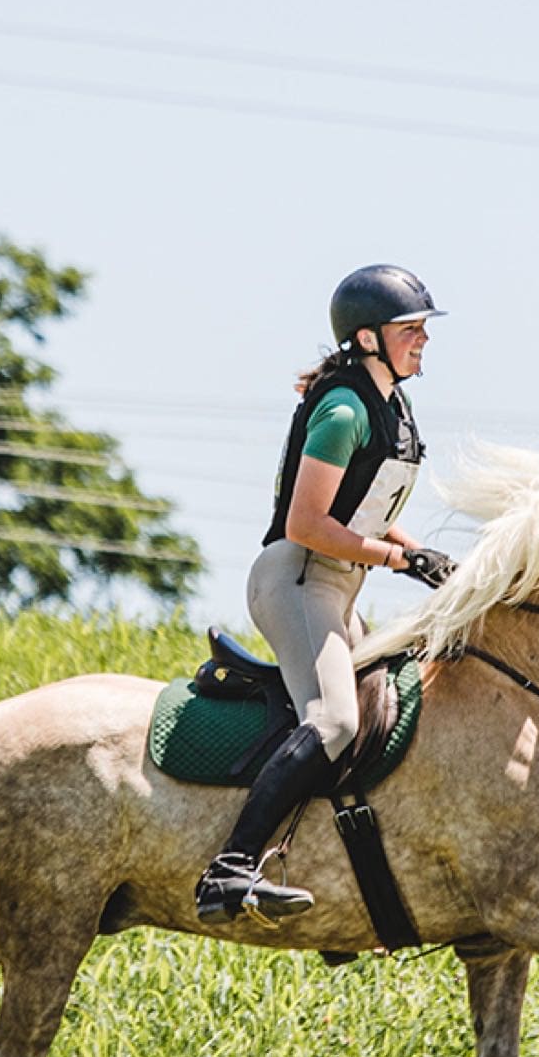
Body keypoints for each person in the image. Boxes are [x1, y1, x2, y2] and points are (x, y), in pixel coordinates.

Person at [194, 264, 459, 923]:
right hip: (299, 577)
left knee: (386, 710)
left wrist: (417, 550)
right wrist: (398, 557)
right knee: (338, 720)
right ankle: (228, 872)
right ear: (368, 339)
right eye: (411, 329)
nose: (423, 338)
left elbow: (360, 507)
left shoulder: (392, 407)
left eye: (424, 328)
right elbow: (308, 524)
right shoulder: (343, 410)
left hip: (337, 585)